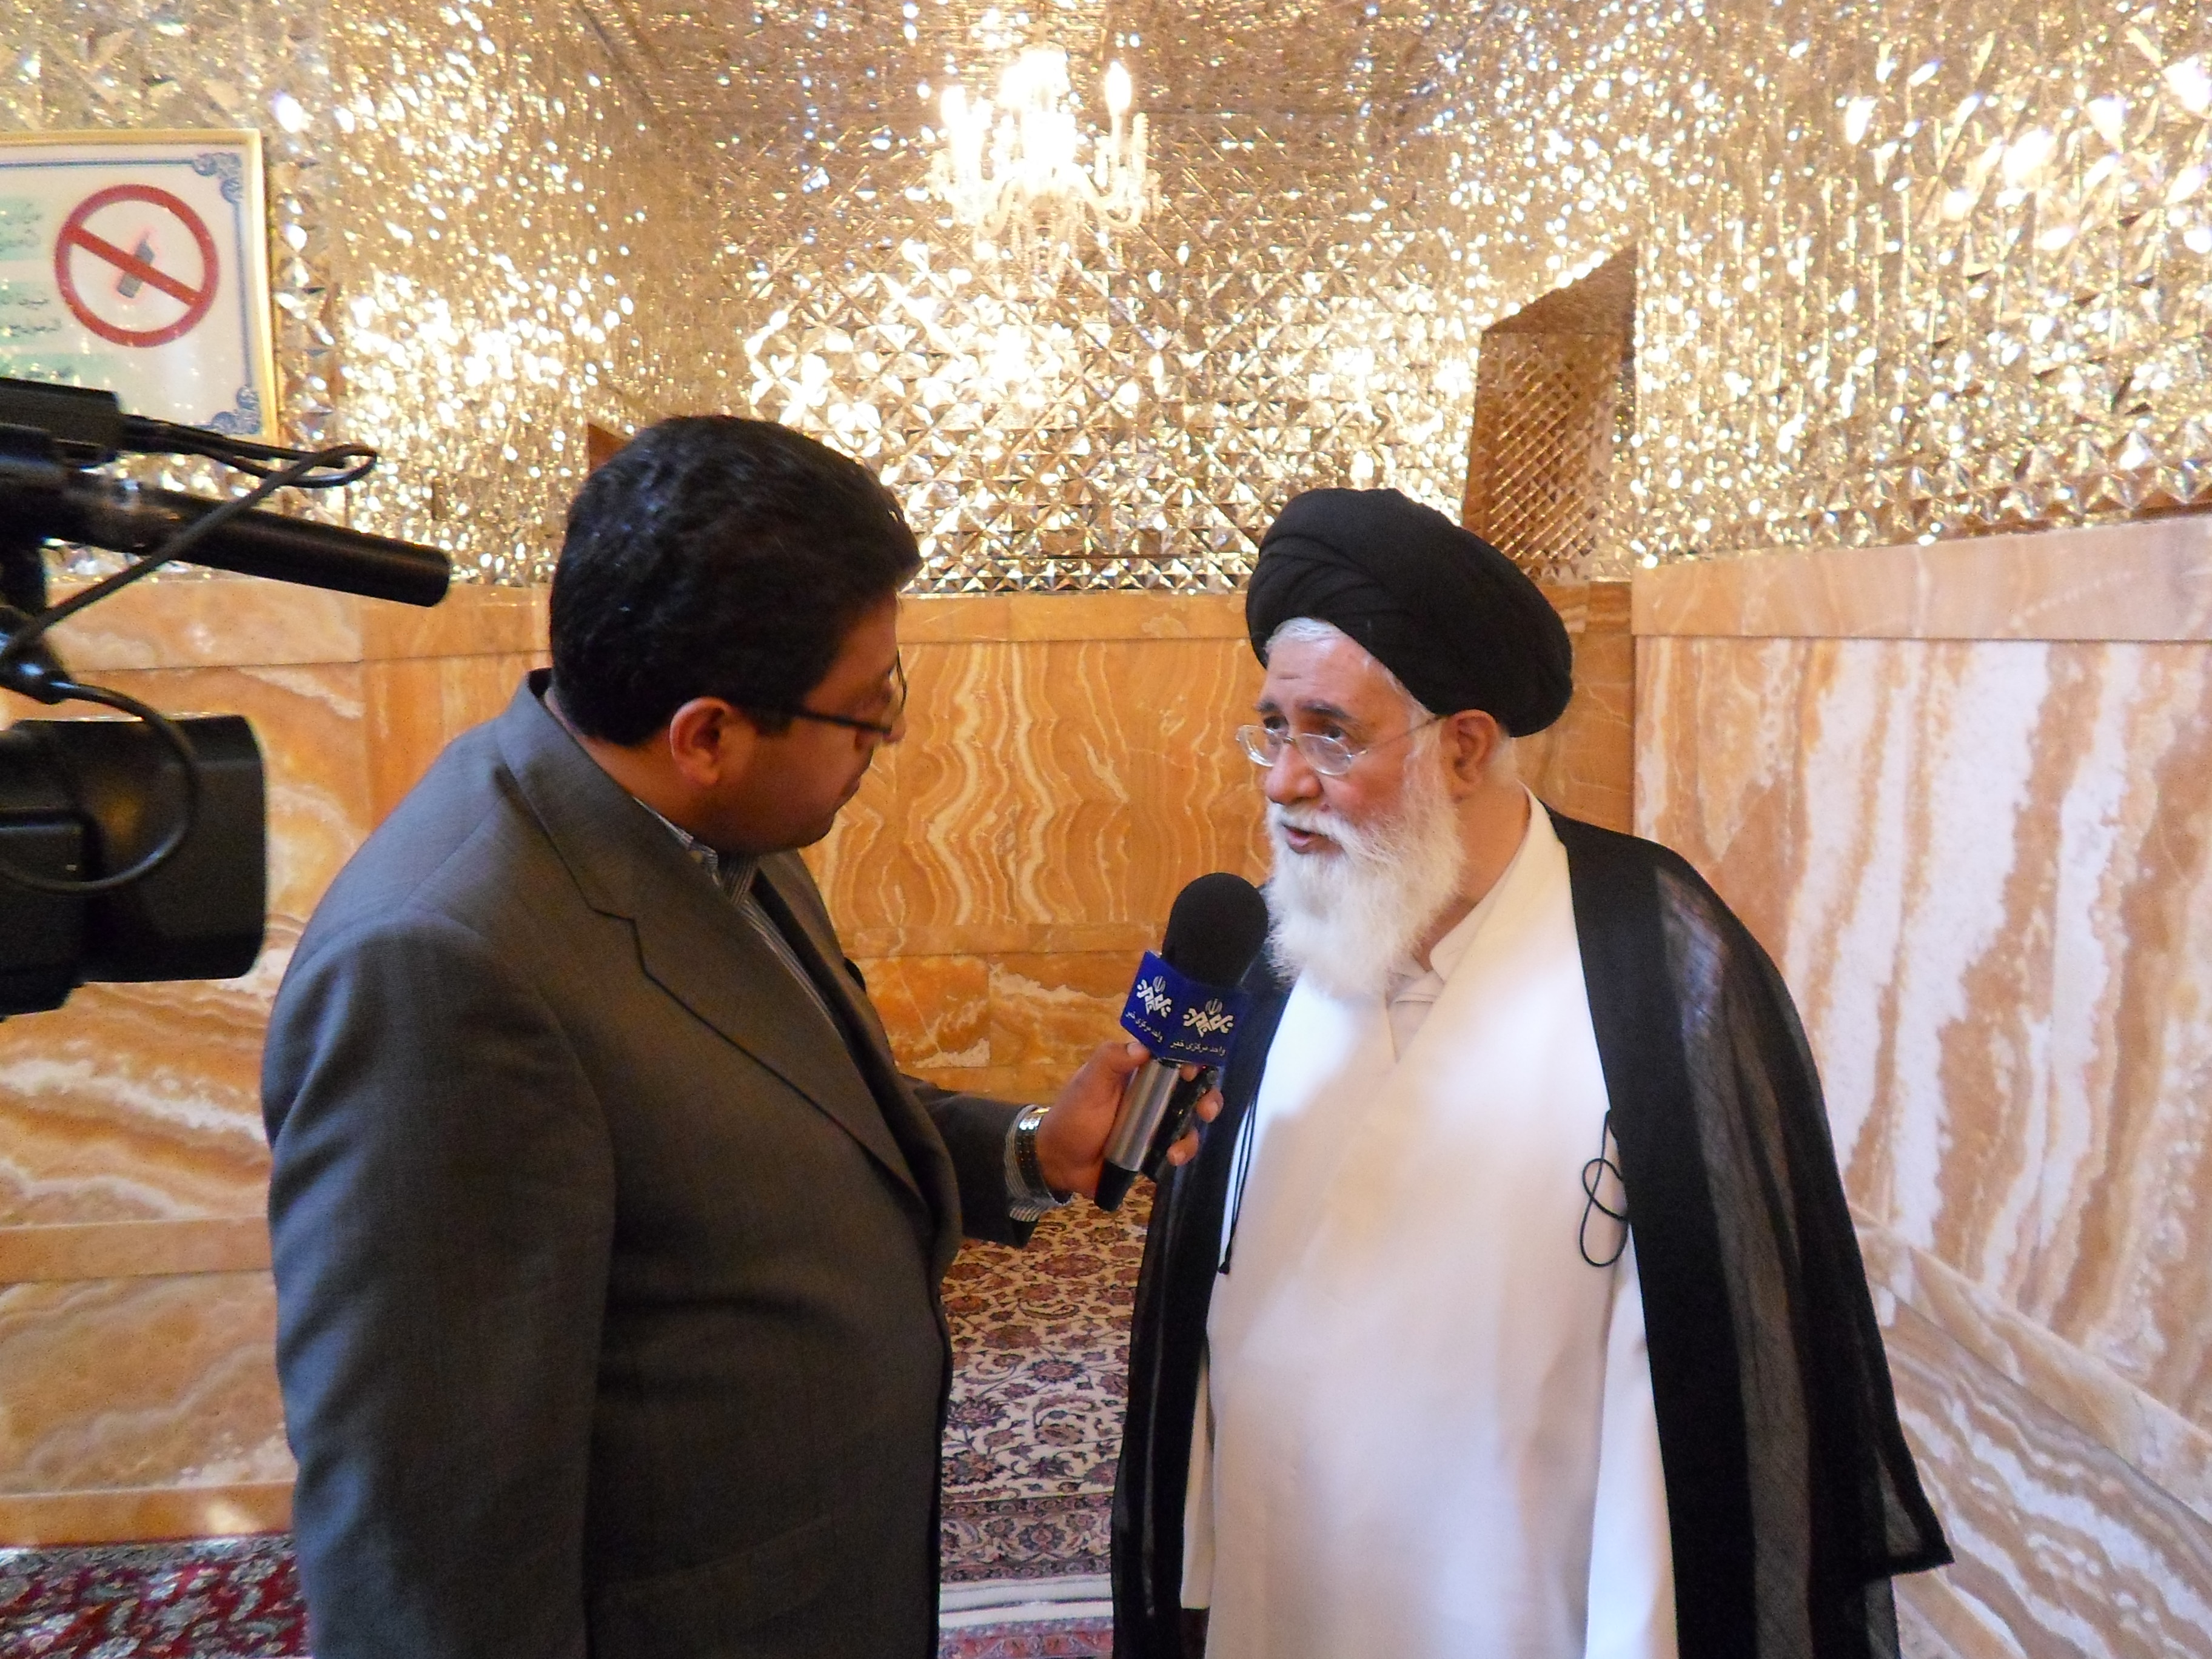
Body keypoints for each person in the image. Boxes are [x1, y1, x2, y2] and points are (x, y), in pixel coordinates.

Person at [263, 416, 1206, 1659]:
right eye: (866, 714)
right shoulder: (440, 971)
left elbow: (789, 1104)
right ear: (707, 734)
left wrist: (1033, 1148)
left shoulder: (699, 827)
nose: (885, 743)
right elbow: (425, 1531)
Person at [1111, 488, 1949, 1659]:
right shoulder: (1271, 947)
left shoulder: (1655, 955)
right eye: (1273, 729)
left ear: (1462, 746)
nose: (1283, 782)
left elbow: (1725, 1357)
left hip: (1519, 1585)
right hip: (1282, 1564)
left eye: (1330, 734)